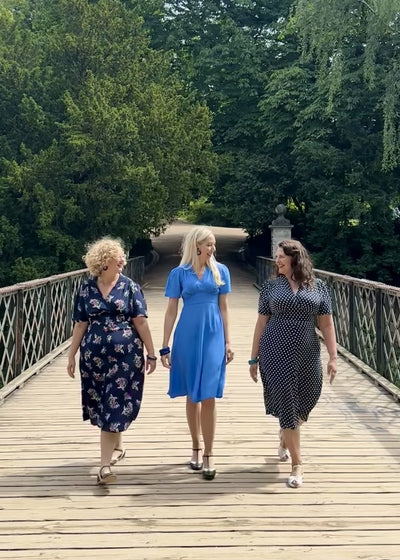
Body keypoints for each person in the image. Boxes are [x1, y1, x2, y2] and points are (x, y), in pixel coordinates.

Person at [67, 237, 157, 485]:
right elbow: (80, 323)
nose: (123, 260)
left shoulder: (130, 287)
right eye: (118, 256)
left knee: (113, 403)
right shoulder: (86, 288)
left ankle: (104, 467)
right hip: (93, 359)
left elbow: (141, 321)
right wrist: (71, 355)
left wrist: (151, 353)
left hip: (125, 358)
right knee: (101, 403)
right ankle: (117, 446)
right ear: (105, 261)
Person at [249, 239, 337, 488]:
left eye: (281, 256)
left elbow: (327, 323)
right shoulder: (270, 287)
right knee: (287, 405)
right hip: (275, 351)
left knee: (308, 398)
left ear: (295, 258)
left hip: (307, 353)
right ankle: (297, 464)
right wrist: (253, 357)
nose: (276, 260)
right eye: (276, 256)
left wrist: (333, 356)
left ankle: (285, 435)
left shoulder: (319, 286)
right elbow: (261, 322)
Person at [160, 226, 233, 480]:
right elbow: (171, 310)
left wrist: (228, 341)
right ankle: (195, 446)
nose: (213, 248)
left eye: (214, 244)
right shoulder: (179, 274)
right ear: (196, 246)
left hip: (213, 334)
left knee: (209, 393)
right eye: (209, 244)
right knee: (192, 394)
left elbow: (224, 308)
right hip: (187, 335)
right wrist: (165, 345)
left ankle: (209, 453)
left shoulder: (221, 271)